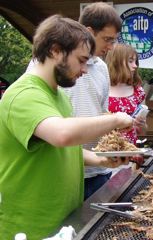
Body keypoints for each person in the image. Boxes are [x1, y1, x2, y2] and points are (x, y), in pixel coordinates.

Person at [0, 15, 133, 240]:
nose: (85, 70)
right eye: (81, 60)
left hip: (64, 221)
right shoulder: (24, 95)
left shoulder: (59, 95)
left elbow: (60, 150)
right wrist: (116, 119)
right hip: (30, 227)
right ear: (55, 50)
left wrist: (100, 159)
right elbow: (62, 135)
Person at [27, 2, 122, 200]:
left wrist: (105, 156)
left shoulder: (101, 69)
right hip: (58, 176)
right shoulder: (34, 86)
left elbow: (100, 115)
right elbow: (60, 135)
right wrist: (117, 120)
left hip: (93, 171)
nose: (111, 47)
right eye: (107, 39)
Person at [106, 43, 146, 145]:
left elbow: (142, 131)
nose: (135, 65)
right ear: (117, 62)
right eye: (130, 61)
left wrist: (141, 125)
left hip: (130, 151)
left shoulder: (139, 92)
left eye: (135, 61)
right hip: (105, 149)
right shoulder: (102, 88)